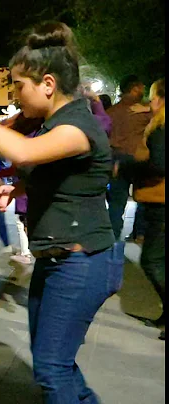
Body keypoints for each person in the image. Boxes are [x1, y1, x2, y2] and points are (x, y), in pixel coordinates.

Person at [0, 22, 123, 403]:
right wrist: (15, 188)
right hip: (56, 260)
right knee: (55, 362)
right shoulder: (58, 123)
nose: (16, 94)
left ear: (47, 83)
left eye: (19, 85)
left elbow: (26, 153)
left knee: (51, 367)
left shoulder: (79, 125)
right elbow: (59, 173)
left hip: (80, 262)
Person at [120, 78, 165, 339]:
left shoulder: (160, 129)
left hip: (161, 202)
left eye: (152, 97)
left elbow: (159, 165)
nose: (150, 102)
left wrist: (127, 167)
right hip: (158, 201)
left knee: (151, 261)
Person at [106, 75, 152, 240]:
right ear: (134, 89)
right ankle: (139, 233)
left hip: (117, 159)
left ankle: (113, 237)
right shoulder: (143, 112)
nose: (143, 91)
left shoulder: (111, 112)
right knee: (142, 197)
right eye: (141, 88)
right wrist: (150, 109)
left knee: (117, 202)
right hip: (139, 159)